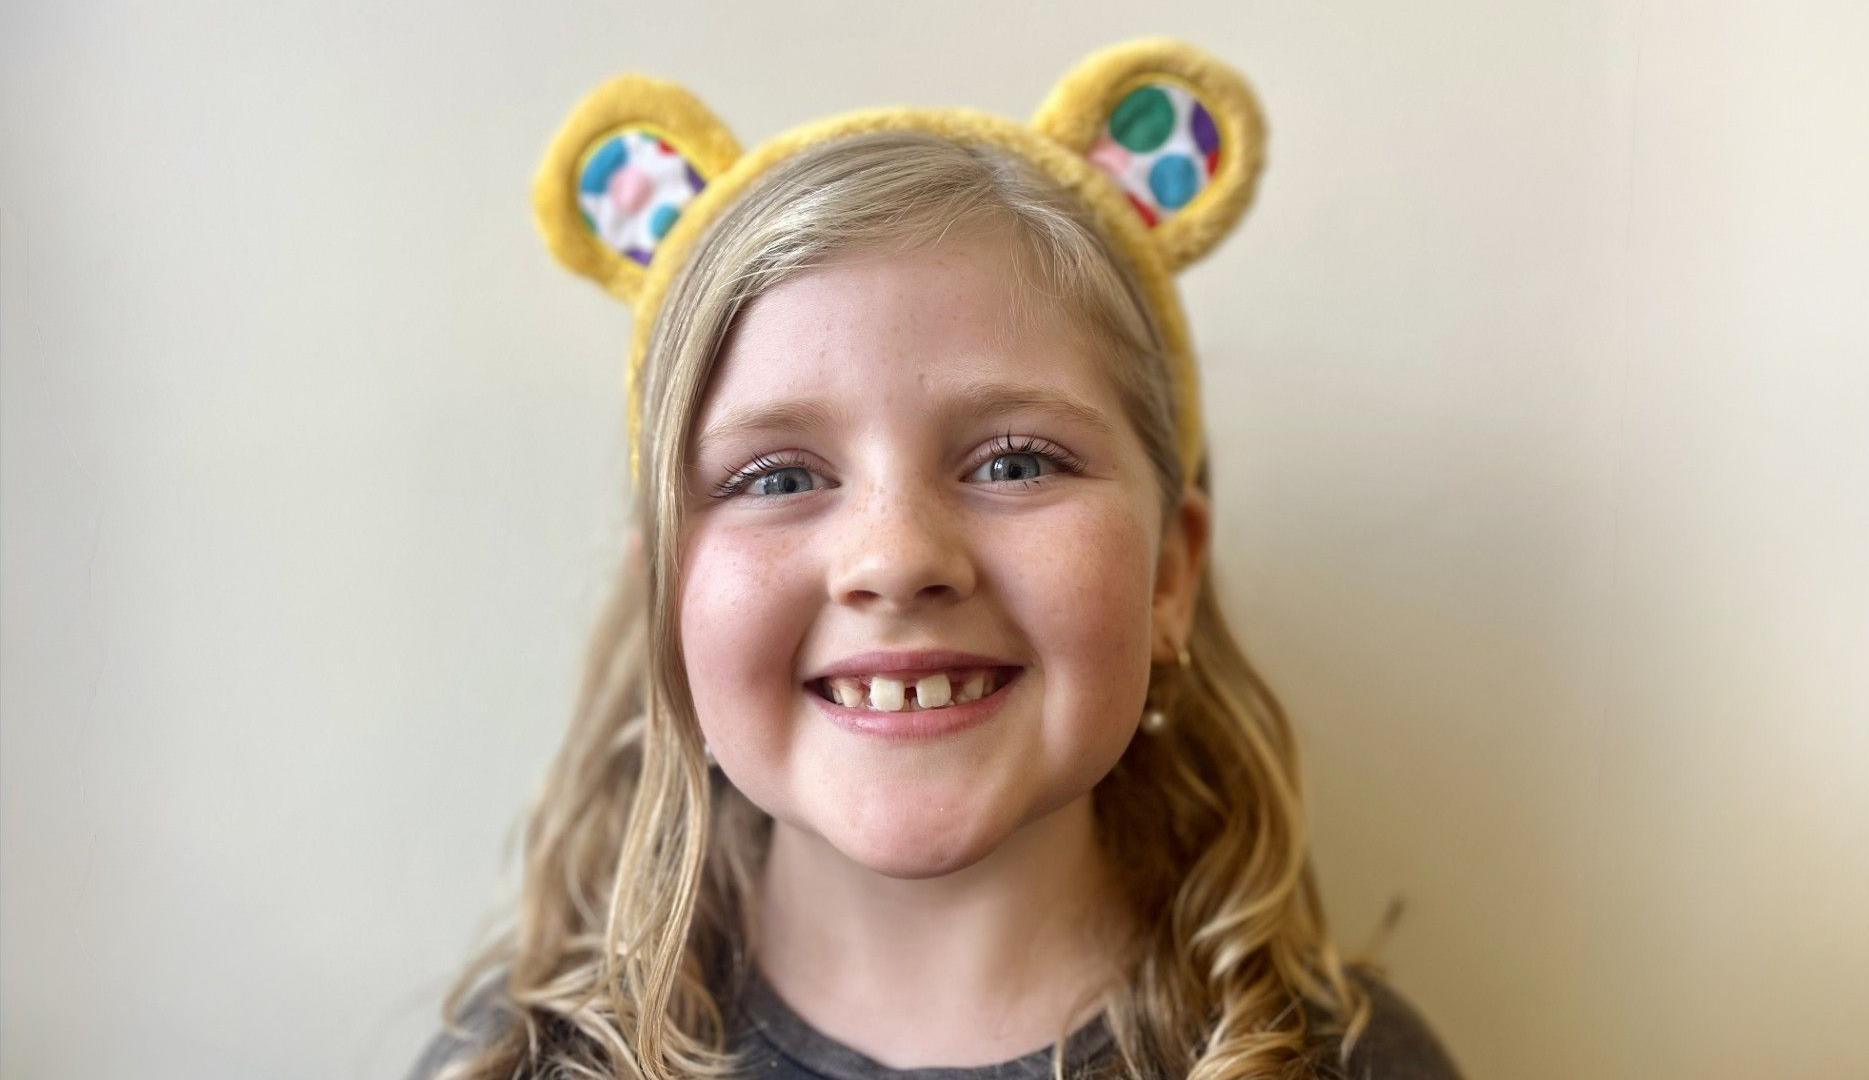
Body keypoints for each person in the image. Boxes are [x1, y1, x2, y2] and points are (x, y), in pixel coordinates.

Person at [408, 39, 1462, 1080]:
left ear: (1169, 578)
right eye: (776, 478)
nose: (897, 558)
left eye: (1014, 462)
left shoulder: (1352, 1067)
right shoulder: (509, 1066)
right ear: (666, 602)